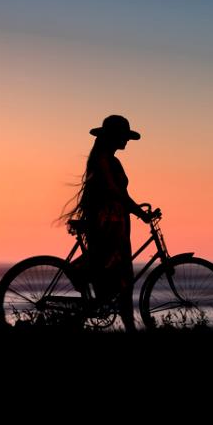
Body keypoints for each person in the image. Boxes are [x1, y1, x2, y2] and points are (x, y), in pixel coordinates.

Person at [61, 115, 151, 332]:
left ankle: (127, 325)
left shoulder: (111, 160)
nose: (127, 140)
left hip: (117, 223)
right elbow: (114, 192)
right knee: (116, 275)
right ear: (113, 136)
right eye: (124, 136)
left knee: (123, 278)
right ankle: (83, 288)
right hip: (106, 224)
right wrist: (140, 212)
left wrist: (139, 211)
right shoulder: (102, 159)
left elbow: (122, 194)